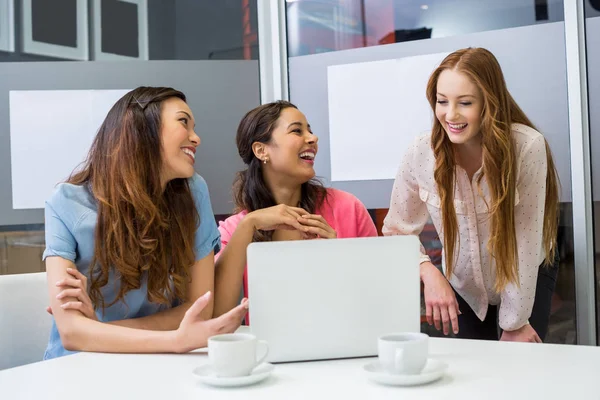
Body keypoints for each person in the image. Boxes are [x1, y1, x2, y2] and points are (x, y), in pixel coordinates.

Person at [43, 87, 248, 359]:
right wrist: (175, 340)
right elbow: (71, 334)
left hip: (157, 360)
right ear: (141, 128)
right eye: (183, 122)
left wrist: (99, 330)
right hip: (80, 364)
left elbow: (197, 307)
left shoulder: (193, 192)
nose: (196, 138)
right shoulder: (66, 201)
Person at [383, 48, 560, 342]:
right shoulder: (420, 153)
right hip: (463, 284)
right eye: (442, 102)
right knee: (475, 372)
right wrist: (428, 271)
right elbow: (397, 229)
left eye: (465, 103)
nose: (450, 115)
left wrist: (515, 323)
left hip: (525, 274)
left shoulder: (527, 147)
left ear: (489, 102)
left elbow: (524, 241)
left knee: (521, 370)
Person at [214, 101, 378, 313]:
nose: (312, 138)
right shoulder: (234, 229)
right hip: (265, 345)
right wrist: (249, 224)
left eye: (310, 130)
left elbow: (377, 297)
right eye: (297, 131)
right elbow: (217, 310)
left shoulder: (349, 208)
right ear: (261, 150)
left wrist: (338, 257)